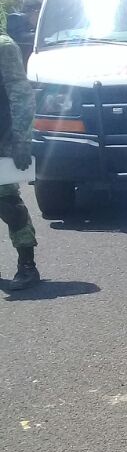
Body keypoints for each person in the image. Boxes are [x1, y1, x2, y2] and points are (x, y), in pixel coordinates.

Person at [0, 18, 40, 290]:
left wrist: (22, 139)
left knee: (6, 203)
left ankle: (27, 265)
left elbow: (20, 92)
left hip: (1, 136)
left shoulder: (3, 47)